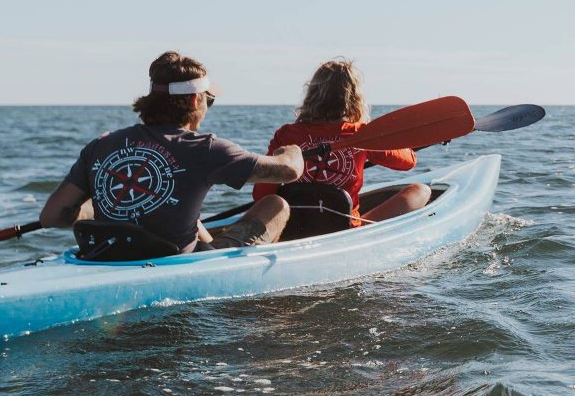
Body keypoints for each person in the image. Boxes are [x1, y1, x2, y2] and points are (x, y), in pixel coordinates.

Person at [40, 51, 304, 252]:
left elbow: (52, 216)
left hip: (107, 254)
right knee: (275, 205)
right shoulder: (206, 148)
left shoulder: (101, 144)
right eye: (208, 100)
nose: (208, 106)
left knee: (189, 215)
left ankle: (209, 246)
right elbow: (290, 171)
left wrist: (110, 205)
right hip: (175, 261)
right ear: (193, 100)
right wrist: (292, 148)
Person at [253, 59, 431, 226]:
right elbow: (408, 162)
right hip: (344, 228)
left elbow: (261, 194)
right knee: (421, 190)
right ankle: (361, 229)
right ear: (355, 98)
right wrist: (386, 138)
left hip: (295, 226)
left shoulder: (287, 134)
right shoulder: (362, 133)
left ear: (312, 95)